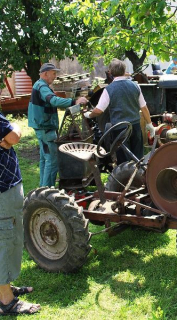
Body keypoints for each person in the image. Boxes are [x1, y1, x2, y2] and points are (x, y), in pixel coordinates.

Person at [0, 112, 41, 315]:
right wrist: (15, 126)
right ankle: (7, 301)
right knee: (6, 238)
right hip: (3, 189)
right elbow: (13, 137)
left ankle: (3, 288)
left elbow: (8, 139)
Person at [28, 63, 88, 187]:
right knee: (52, 161)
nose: (55, 76)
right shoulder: (42, 87)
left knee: (44, 159)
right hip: (46, 129)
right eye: (54, 73)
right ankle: (47, 191)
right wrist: (74, 101)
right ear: (45, 74)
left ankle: (42, 188)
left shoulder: (38, 85)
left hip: (41, 128)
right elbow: (54, 101)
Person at [84, 59, 155, 165]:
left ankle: (126, 180)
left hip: (120, 130)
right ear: (124, 71)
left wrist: (89, 114)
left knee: (124, 162)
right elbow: (144, 107)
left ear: (110, 72)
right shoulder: (135, 86)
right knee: (138, 159)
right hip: (135, 127)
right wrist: (149, 124)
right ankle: (139, 179)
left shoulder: (109, 89)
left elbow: (98, 110)